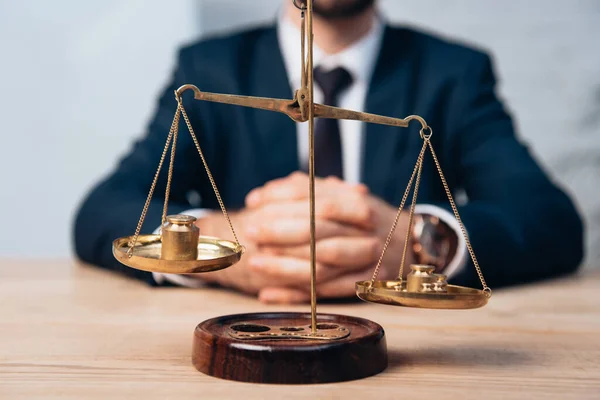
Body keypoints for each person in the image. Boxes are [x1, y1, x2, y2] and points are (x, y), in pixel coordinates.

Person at [74, 0, 584, 304]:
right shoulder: (209, 70)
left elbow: (550, 220)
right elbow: (102, 212)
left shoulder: (451, 71)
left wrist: (421, 241)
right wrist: (225, 246)